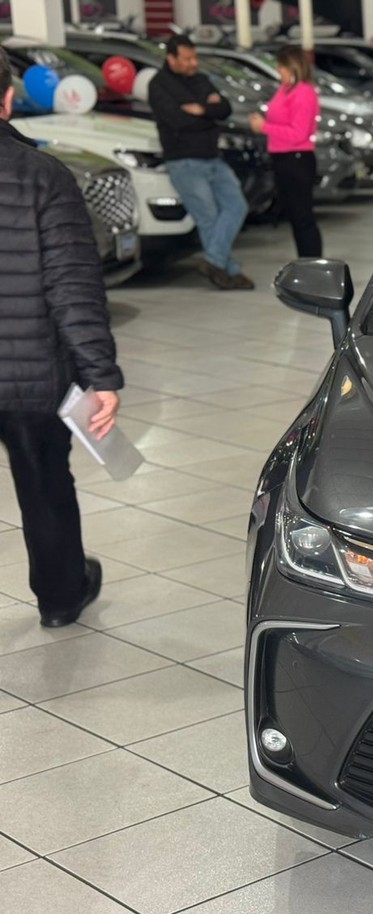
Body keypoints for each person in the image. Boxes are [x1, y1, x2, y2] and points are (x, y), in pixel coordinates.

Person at [0, 48, 122, 628]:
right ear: (7, 99)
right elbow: (72, 287)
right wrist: (100, 375)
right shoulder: (42, 176)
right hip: (30, 374)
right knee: (44, 480)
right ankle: (60, 597)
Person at [148, 34, 253, 290]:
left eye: (194, 57)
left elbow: (224, 109)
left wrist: (202, 110)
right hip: (184, 162)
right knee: (208, 217)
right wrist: (207, 115)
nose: (193, 63)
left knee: (237, 206)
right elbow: (178, 120)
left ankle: (214, 261)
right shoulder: (159, 85)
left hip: (213, 158)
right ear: (171, 58)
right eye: (187, 59)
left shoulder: (201, 80)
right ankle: (228, 272)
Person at [249, 46, 323, 258]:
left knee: (303, 218)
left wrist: (264, 127)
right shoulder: (285, 89)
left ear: (292, 67)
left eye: (281, 66)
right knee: (295, 218)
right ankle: (304, 260)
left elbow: (298, 133)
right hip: (282, 158)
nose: (278, 70)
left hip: (296, 160)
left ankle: (312, 262)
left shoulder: (304, 93)